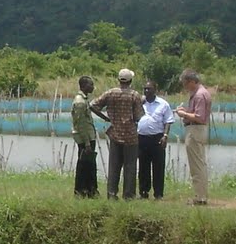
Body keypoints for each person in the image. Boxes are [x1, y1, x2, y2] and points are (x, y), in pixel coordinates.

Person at [91, 68, 144, 199]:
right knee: (130, 166)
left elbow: (93, 105)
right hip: (131, 135)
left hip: (115, 133)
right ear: (130, 80)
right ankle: (128, 194)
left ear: (119, 80)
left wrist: (106, 118)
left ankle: (111, 193)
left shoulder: (111, 93)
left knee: (114, 166)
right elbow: (139, 116)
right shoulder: (134, 95)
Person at [176, 68, 213, 205]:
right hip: (197, 130)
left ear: (192, 81)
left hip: (196, 130)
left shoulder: (199, 95)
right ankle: (201, 194)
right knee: (199, 163)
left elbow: (199, 117)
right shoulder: (200, 93)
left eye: (185, 84)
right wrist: (186, 111)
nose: (185, 87)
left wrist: (183, 114)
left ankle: (200, 197)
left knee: (196, 165)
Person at [136, 78, 175, 199]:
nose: (147, 91)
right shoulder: (139, 103)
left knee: (158, 166)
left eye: (149, 89)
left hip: (157, 138)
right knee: (143, 166)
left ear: (155, 90)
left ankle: (158, 193)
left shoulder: (163, 104)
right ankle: (143, 192)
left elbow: (168, 121)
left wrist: (165, 136)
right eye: (145, 89)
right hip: (142, 138)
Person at [69, 75, 99, 197]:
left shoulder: (84, 99)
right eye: (90, 84)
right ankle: (82, 191)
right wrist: (87, 143)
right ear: (83, 86)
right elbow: (81, 125)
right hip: (85, 139)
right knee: (84, 166)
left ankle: (89, 190)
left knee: (89, 165)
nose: (92, 87)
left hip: (88, 137)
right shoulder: (80, 102)